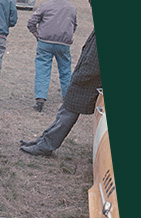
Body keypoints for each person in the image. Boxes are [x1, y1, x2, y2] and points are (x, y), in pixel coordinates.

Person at [20, 26, 101, 157]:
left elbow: (94, 63)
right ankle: (43, 141)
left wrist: (79, 77)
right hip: (83, 80)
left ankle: (45, 146)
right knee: (64, 112)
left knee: (67, 115)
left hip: (86, 83)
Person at [27, 0, 77, 112]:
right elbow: (74, 26)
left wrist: (37, 35)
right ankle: (68, 100)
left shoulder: (45, 6)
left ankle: (40, 100)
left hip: (45, 43)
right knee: (65, 71)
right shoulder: (71, 8)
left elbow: (31, 22)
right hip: (64, 44)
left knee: (42, 70)